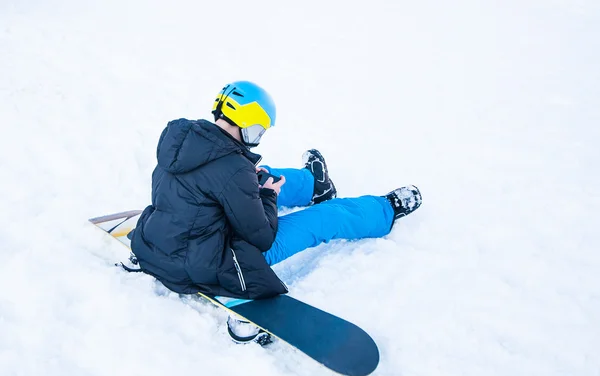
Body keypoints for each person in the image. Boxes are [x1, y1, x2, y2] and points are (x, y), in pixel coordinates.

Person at [129, 80, 422, 344]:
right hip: (214, 261)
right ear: (250, 123)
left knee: (261, 175)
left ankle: (315, 185)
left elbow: (223, 182)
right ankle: (385, 210)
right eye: (260, 129)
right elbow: (263, 237)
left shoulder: (181, 143)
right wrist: (268, 196)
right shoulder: (233, 168)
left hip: (161, 242)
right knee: (322, 218)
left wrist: (259, 185)